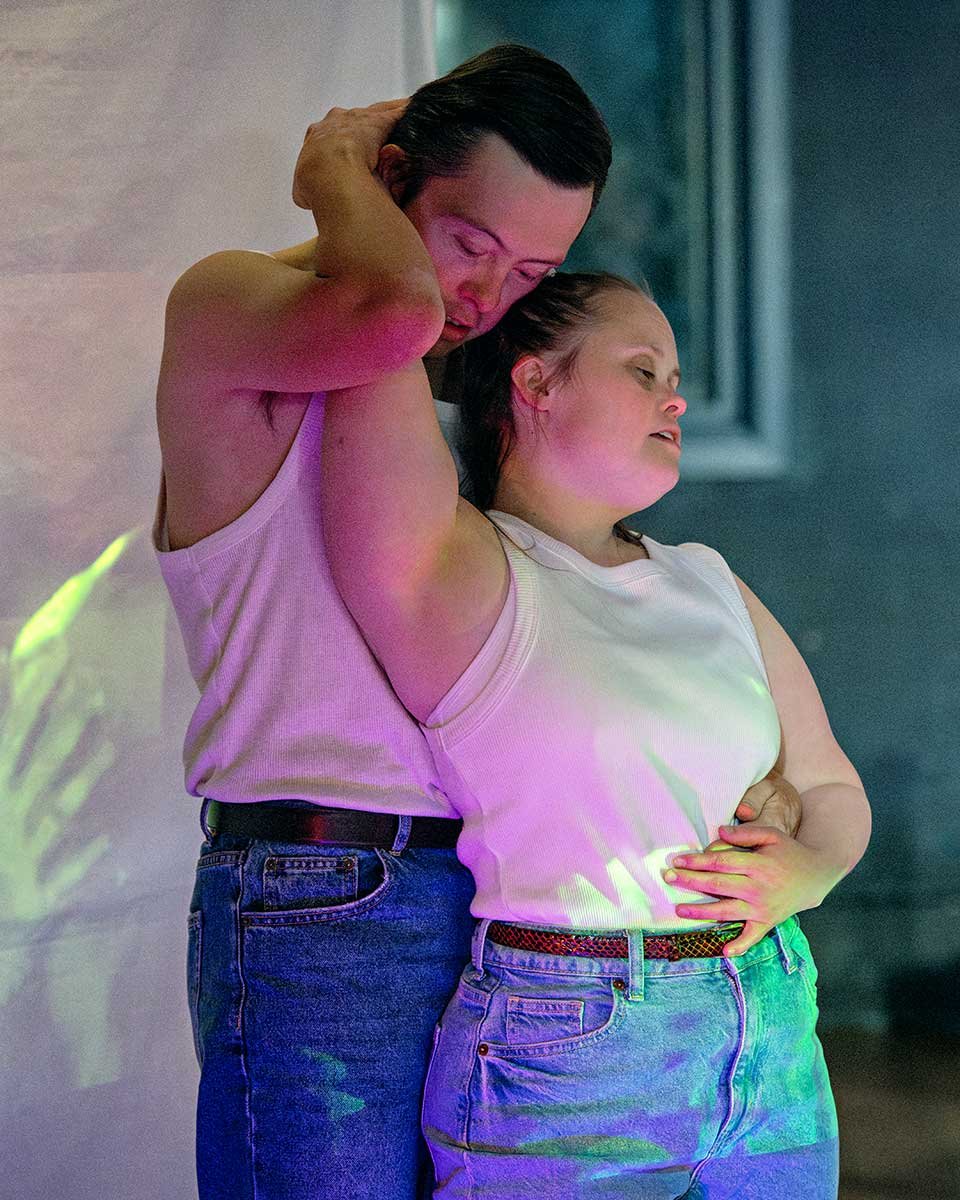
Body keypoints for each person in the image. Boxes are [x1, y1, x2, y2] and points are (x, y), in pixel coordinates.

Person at [155, 42, 801, 1200]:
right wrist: (335, 175)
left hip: (508, 915)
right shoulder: (233, 308)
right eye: (472, 246)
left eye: (532, 270)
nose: (489, 299)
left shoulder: (464, 393)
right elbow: (385, 310)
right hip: (321, 895)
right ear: (394, 179)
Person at [317, 270, 872, 1198]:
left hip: (771, 1024)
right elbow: (383, 330)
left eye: (674, 375)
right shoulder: (466, 568)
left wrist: (807, 871)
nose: (677, 396)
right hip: (566, 1050)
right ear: (536, 385)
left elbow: (832, 788)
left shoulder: (708, 579)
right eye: (643, 369)